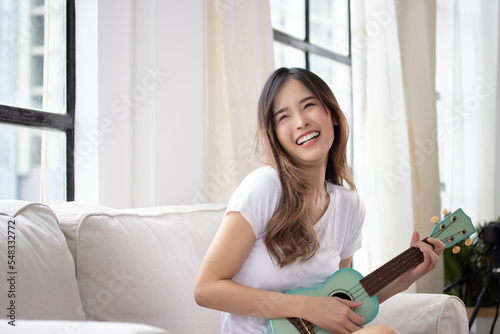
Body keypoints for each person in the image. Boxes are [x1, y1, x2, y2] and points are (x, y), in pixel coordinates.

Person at [194, 67, 445, 334]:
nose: (300, 121)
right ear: (275, 135)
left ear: (332, 115)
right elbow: (206, 289)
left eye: (309, 106)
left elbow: (341, 302)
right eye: (284, 117)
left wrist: (403, 280)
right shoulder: (264, 187)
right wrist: (305, 307)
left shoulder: (350, 207)